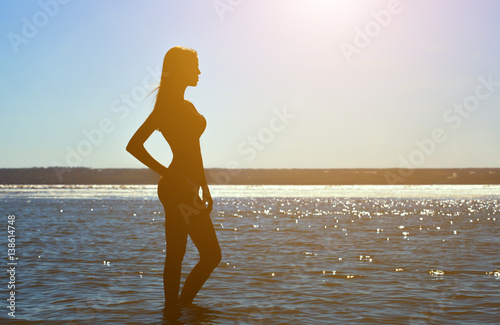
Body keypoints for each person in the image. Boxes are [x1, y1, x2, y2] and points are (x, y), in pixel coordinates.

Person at [126, 46, 221, 306]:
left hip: (188, 187)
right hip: (176, 188)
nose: (199, 72)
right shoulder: (165, 109)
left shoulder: (187, 105)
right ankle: (178, 309)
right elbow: (133, 145)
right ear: (181, 70)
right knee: (208, 255)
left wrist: (205, 186)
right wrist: (169, 174)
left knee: (179, 254)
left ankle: (174, 312)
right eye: (195, 66)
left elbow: (195, 148)